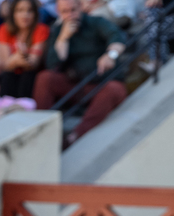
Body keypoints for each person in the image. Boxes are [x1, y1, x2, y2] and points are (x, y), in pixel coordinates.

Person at [34, 0, 127, 143]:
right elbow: (53, 65)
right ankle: (40, 131)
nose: (70, 15)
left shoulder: (96, 22)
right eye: (65, 11)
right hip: (75, 85)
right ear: (59, 13)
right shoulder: (58, 31)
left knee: (115, 89)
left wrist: (110, 55)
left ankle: (75, 135)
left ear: (81, 7)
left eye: (73, 10)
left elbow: (117, 38)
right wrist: (63, 39)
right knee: (45, 78)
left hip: (101, 83)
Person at [0, 0, 48, 98]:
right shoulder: (4, 29)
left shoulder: (41, 29)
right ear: (13, 14)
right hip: (10, 75)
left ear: (35, 14)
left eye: (30, 11)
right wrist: (21, 57)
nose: (25, 15)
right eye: (20, 10)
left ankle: (25, 109)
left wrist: (17, 58)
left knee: (27, 75)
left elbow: (34, 63)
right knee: (7, 75)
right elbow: (5, 65)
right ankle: (5, 108)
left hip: (32, 76)